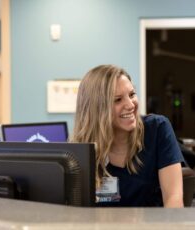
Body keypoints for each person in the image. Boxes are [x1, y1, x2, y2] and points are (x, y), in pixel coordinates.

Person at [71, 65, 184, 207]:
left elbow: (174, 198)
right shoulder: (80, 150)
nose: (131, 105)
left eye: (132, 95)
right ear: (97, 109)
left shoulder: (157, 129)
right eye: (118, 100)